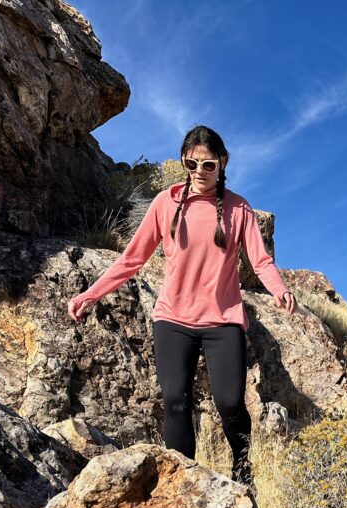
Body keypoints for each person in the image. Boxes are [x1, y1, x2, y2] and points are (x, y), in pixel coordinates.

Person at [67, 125, 296, 488]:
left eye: (208, 165)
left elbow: (261, 261)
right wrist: (89, 295)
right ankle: (184, 483)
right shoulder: (165, 202)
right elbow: (131, 259)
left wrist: (280, 290)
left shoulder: (239, 209)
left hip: (223, 321)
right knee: (175, 401)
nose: (199, 173)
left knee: (230, 402)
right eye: (192, 164)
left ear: (223, 163)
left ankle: (242, 467)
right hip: (173, 319)